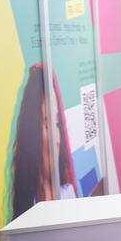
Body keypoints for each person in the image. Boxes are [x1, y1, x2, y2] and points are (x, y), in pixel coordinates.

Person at [10, 64, 78, 219]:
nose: (57, 140)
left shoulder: (67, 192)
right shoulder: (23, 206)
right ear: (30, 133)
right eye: (47, 125)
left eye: (57, 124)